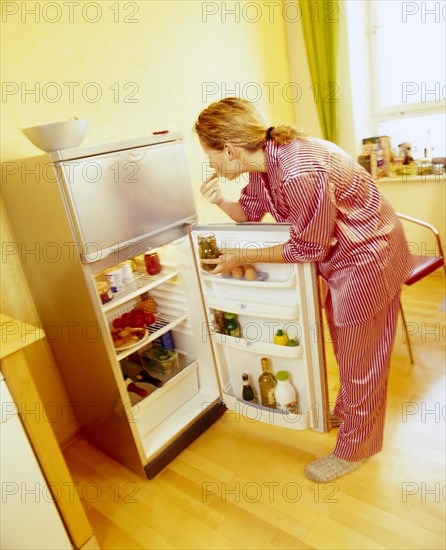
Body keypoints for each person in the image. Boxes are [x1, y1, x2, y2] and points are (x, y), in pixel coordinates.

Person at [194, 97, 413, 482]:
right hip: (342, 256)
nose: (212, 165)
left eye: (212, 157)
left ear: (229, 149)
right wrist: (221, 201)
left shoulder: (298, 170)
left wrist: (240, 256)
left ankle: (356, 448)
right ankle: (349, 414)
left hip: (368, 256)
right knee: (349, 350)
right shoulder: (264, 164)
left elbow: (307, 248)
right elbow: (250, 215)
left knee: (363, 360)